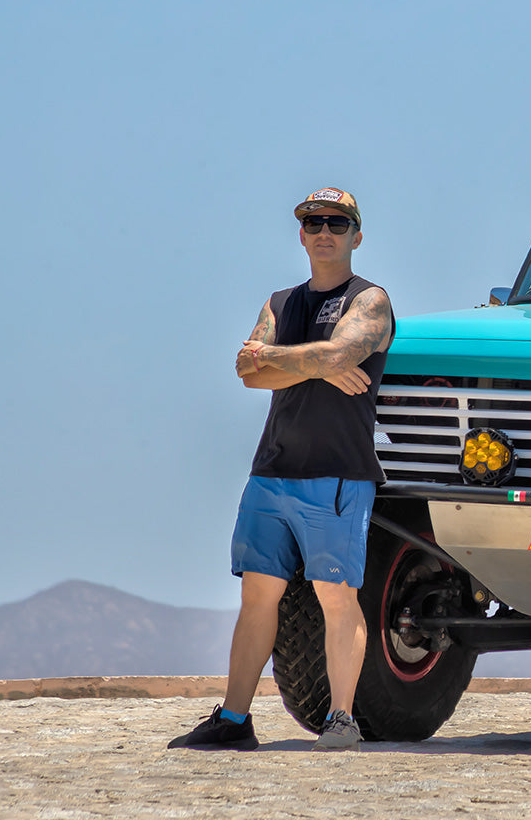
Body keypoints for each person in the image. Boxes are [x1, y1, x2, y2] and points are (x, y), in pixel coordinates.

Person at [170, 187, 394, 752]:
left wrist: (289, 360)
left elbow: (326, 356)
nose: (324, 231)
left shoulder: (370, 301)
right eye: (313, 222)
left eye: (337, 224)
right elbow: (247, 371)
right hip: (271, 472)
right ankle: (234, 718)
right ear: (300, 234)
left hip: (338, 474)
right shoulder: (280, 301)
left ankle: (341, 720)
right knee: (257, 595)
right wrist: (318, 363)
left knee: (336, 594)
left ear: (357, 235)